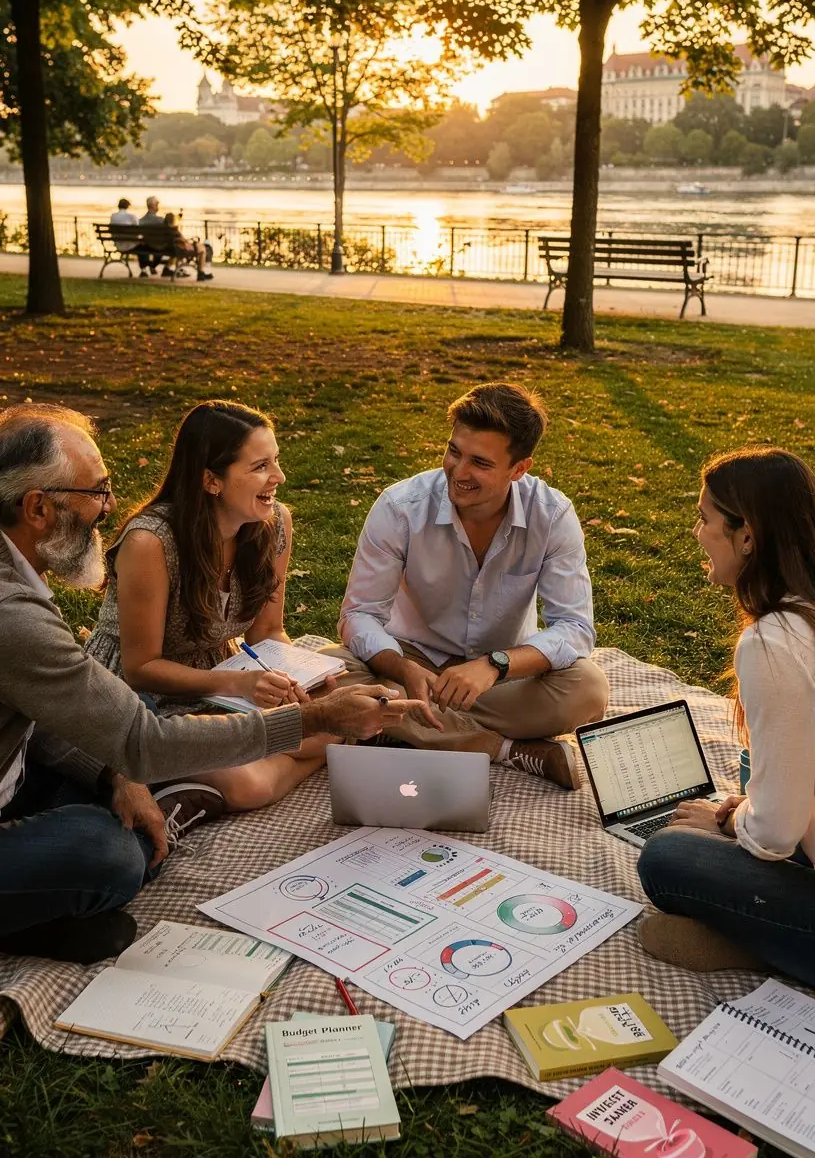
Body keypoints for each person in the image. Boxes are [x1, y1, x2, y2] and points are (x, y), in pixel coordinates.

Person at [0, 403, 429, 964]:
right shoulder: (19, 612)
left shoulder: (21, 589)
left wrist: (113, 774)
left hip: (27, 770)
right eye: (97, 493)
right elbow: (145, 735)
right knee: (110, 853)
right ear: (37, 508)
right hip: (137, 713)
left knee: (122, 812)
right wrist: (316, 719)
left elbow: (48, 717)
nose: (109, 507)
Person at [87, 400, 385, 812]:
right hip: (145, 695)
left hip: (228, 678)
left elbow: (266, 633)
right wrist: (239, 685)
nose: (278, 477)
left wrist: (290, 676)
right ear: (212, 480)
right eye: (260, 466)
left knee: (359, 705)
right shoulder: (150, 543)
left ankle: (234, 768)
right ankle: (254, 771)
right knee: (250, 781)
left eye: (275, 461)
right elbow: (142, 668)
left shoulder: (274, 522)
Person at [332, 382, 609, 788]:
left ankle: (397, 725)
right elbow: (358, 615)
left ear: (519, 469)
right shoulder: (400, 508)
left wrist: (496, 665)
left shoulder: (551, 515)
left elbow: (575, 629)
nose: (458, 473)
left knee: (588, 690)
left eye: (479, 463)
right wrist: (402, 668)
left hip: (499, 676)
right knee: (330, 676)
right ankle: (510, 750)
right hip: (411, 660)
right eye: (453, 452)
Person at [637, 447, 815, 986]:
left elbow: (774, 836)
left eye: (705, 519)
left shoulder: (773, 643)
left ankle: (764, 942)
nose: (696, 532)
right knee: (746, 772)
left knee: (665, 856)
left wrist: (729, 821)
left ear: (747, 536)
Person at [163, 212, 213, 281]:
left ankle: (201, 272)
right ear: (173, 220)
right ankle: (201, 273)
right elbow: (183, 241)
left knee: (201, 246)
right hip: (181, 250)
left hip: (173, 249)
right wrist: (189, 242)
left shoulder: (164, 230)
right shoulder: (174, 230)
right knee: (203, 249)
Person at [137, 196, 165, 276]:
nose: (158, 206)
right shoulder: (161, 221)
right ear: (153, 206)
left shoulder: (140, 221)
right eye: (157, 204)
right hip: (159, 247)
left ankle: (144, 269)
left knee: (142, 245)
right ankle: (152, 266)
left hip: (145, 246)